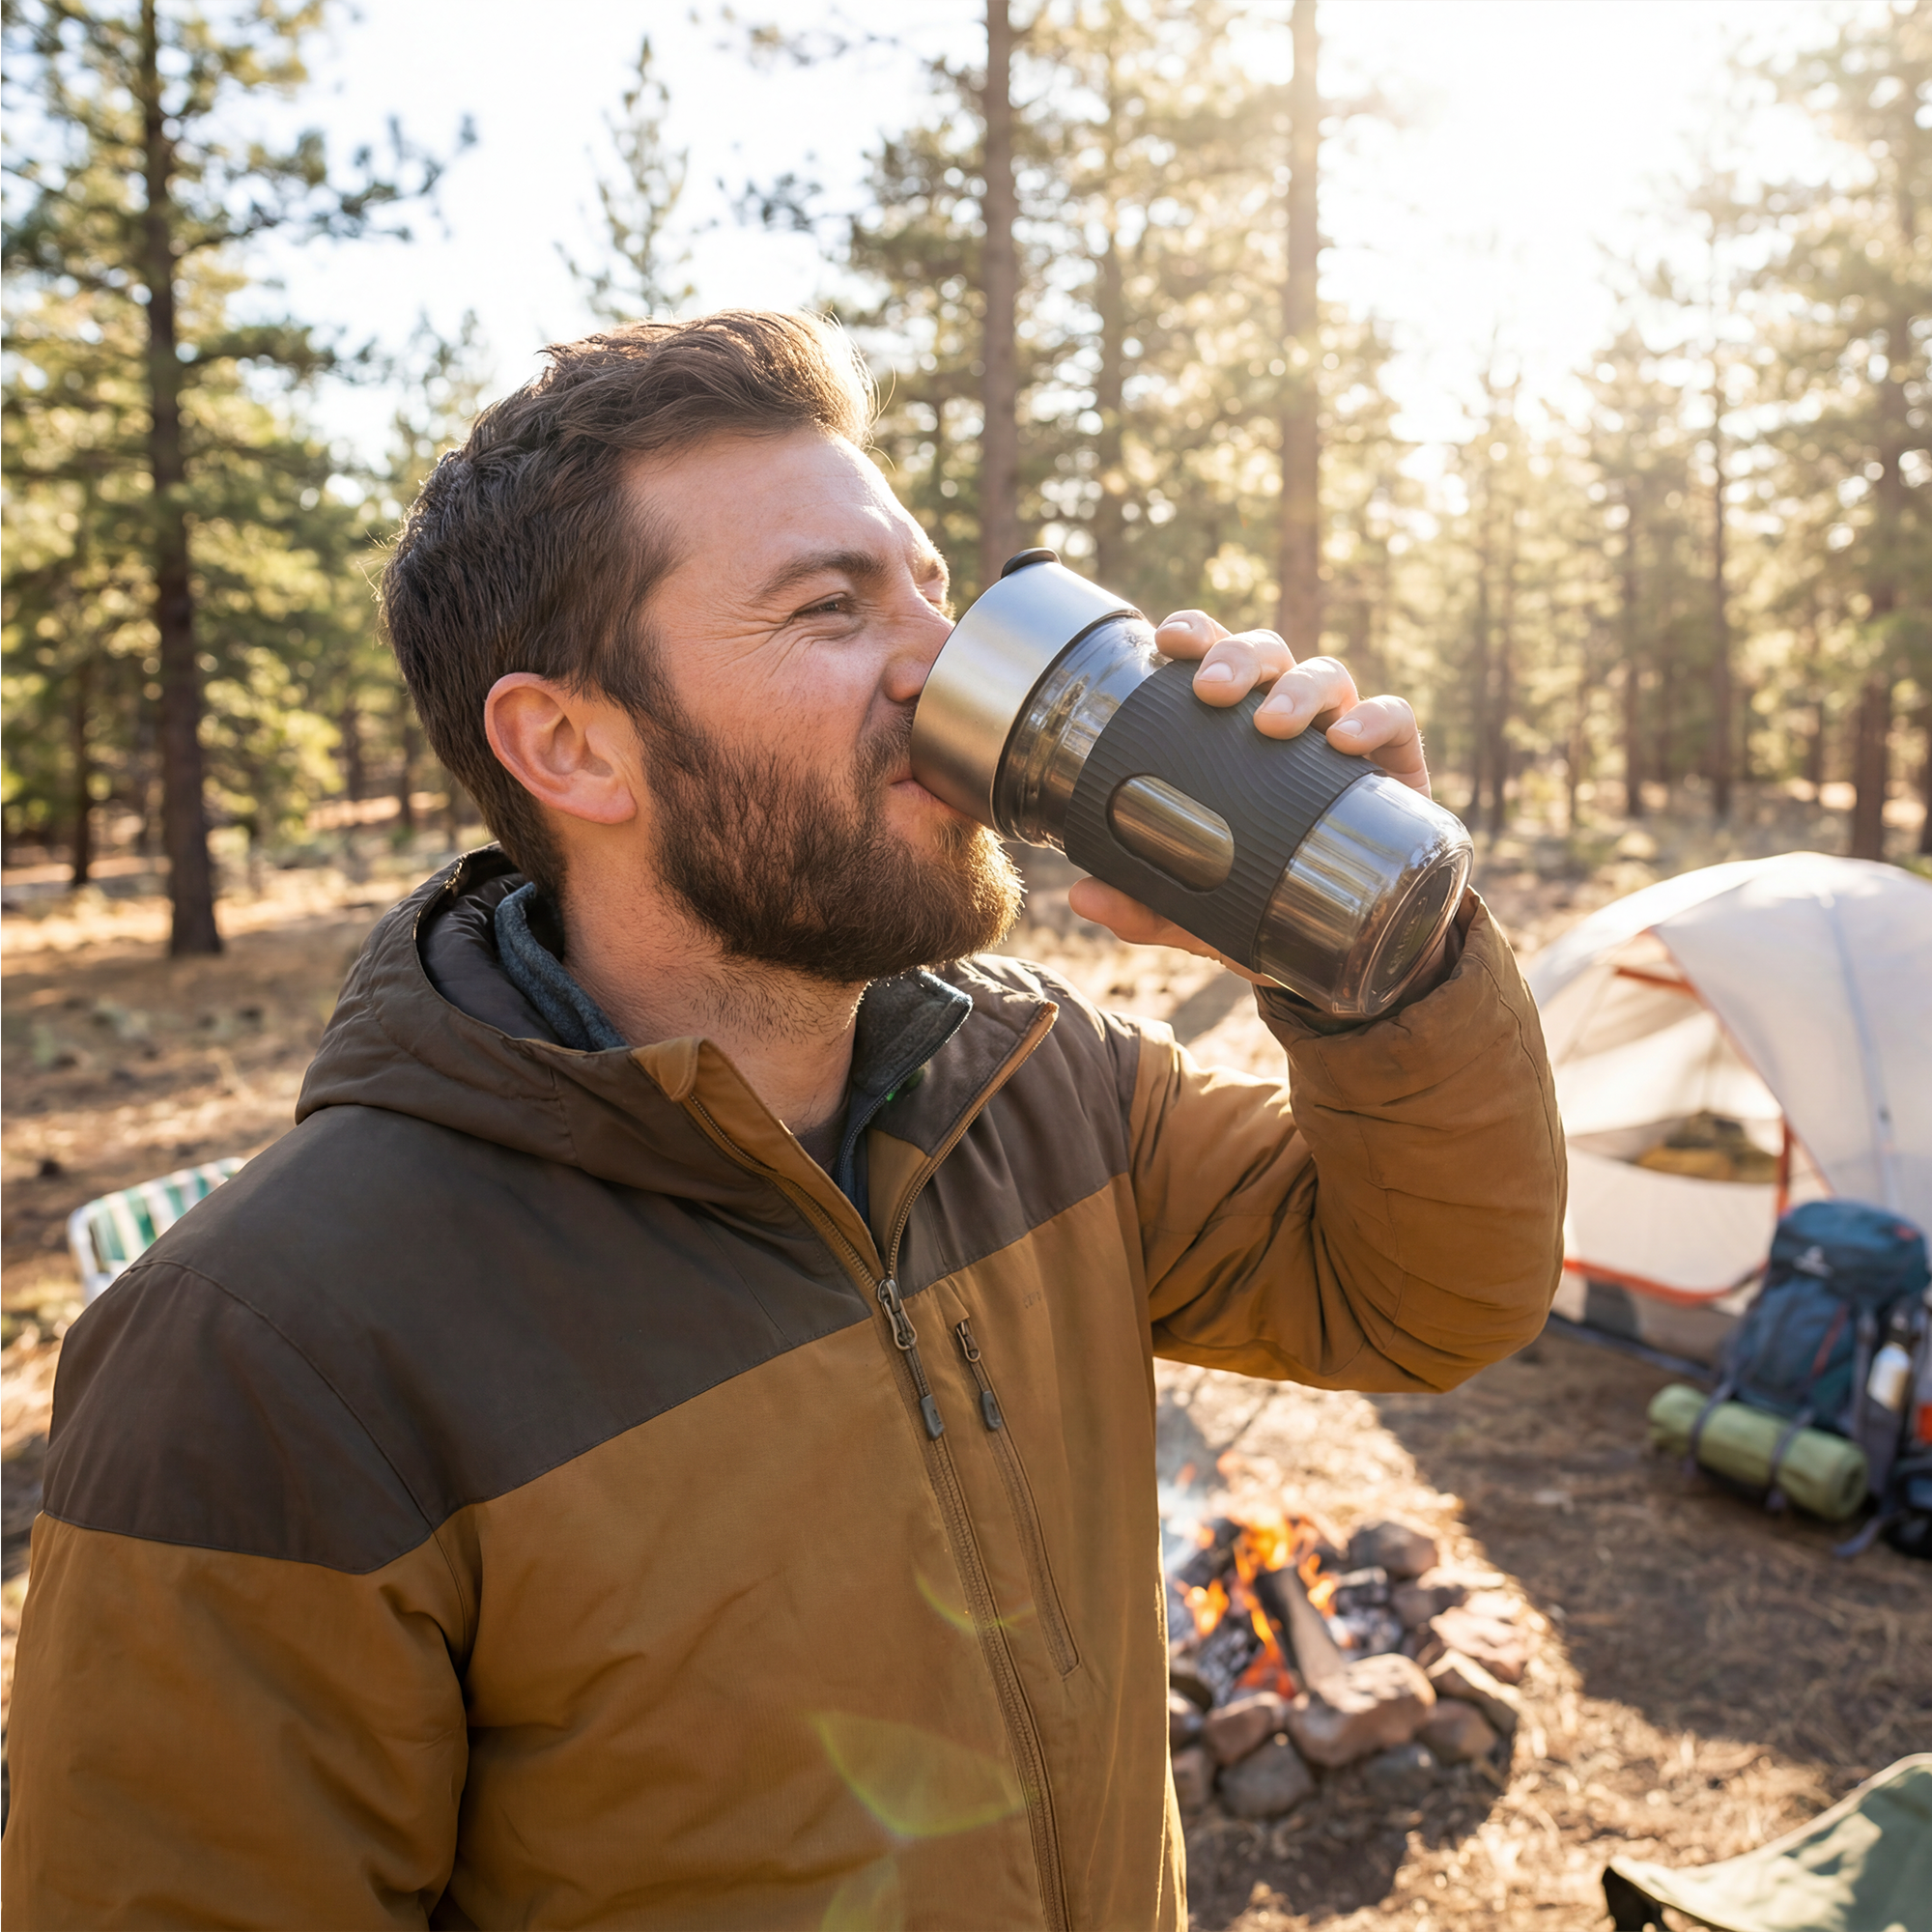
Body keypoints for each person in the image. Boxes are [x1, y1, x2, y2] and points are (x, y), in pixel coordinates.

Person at [3, 310, 1563, 1930]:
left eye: (932, 594)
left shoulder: (1040, 1084)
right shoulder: (264, 1351)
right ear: (569, 745)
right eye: (831, 607)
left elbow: (1428, 1296)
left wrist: (1379, 960)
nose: (940, 664)